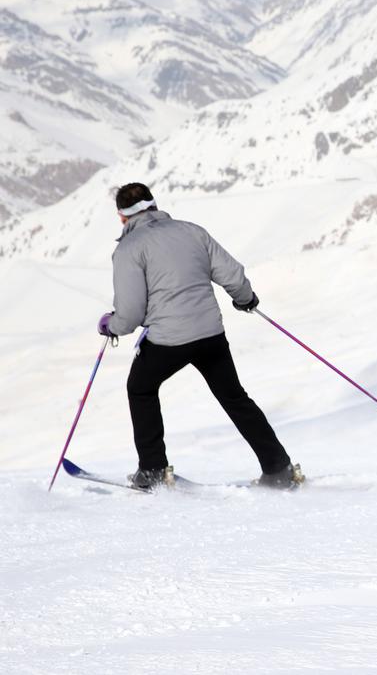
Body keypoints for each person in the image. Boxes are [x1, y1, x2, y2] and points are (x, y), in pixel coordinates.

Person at [97, 182, 303, 489]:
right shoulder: (192, 231)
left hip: (168, 340)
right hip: (210, 335)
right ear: (154, 204)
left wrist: (110, 325)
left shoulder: (128, 249)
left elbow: (130, 313)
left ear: (122, 217)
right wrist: (245, 298)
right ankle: (278, 467)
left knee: (141, 388)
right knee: (234, 397)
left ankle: (152, 471)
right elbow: (231, 274)